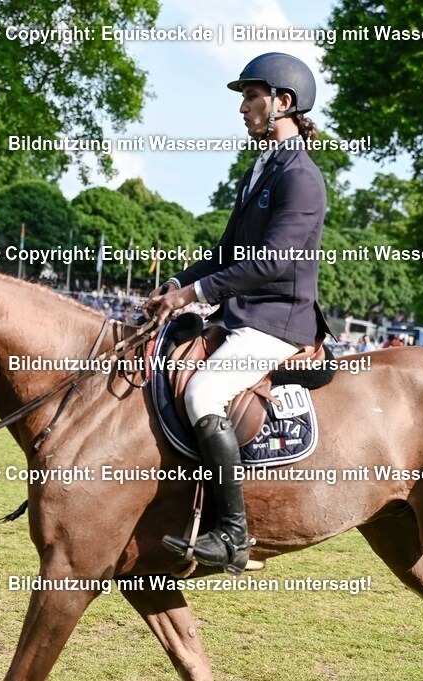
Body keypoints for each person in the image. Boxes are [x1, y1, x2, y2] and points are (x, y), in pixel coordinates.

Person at [144, 52, 329, 575]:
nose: (243, 107)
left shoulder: (302, 177)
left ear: (282, 103)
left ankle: (233, 534)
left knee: (205, 390)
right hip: (245, 314)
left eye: (251, 96)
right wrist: (178, 284)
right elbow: (228, 252)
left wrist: (196, 292)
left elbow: (272, 263)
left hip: (279, 320)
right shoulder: (261, 170)